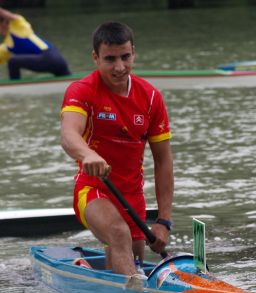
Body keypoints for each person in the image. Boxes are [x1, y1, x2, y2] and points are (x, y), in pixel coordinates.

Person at [60, 21, 173, 278]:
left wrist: (164, 221)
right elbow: (69, 134)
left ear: (134, 52)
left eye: (125, 57)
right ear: (95, 57)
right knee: (118, 233)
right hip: (94, 189)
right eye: (110, 59)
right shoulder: (82, 91)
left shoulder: (151, 97)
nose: (119, 67)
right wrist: (87, 154)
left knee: (128, 259)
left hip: (133, 198)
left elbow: (164, 160)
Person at [0, 7, 70, 80]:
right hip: (58, 59)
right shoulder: (6, 47)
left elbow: (3, 13)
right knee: (71, 84)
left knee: (13, 61)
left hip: (50, 57)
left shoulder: (19, 27)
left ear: (4, 23)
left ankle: (14, 87)